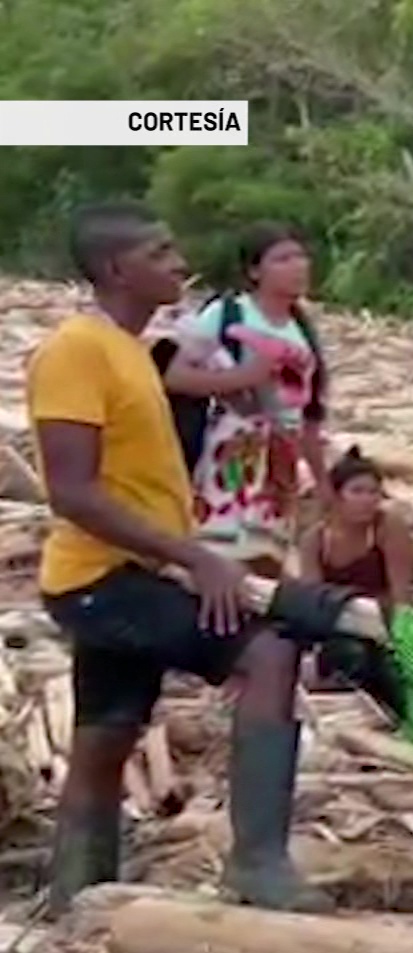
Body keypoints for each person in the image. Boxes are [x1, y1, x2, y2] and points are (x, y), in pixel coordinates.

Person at [29, 202, 331, 914]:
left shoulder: (137, 351)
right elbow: (72, 492)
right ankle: (257, 865)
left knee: (106, 734)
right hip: (102, 577)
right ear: (115, 269)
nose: (178, 261)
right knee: (267, 657)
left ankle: (79, 896)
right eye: (160, 252)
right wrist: (196, 558)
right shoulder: (77, 349)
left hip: (130, 573)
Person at [164, 223, 332, 576]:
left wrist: (322, 482)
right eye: (283, 259)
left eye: (301, 257)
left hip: (281, 457)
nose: (298, 266)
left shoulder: (302, 327)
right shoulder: (227, 315)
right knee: (220, 549)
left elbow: (310, 416)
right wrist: (243, 379)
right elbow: (175, 375)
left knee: (267, 554)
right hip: (233, 448)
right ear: (255, 271)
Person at [298, 448, 411, 713]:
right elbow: (313, 601)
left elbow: (402, 593)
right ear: (338, 497)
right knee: (349, 656)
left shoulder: (387, 528)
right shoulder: (315, 540)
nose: (367, 500)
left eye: (373, 492)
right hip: (340, 625)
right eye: (357, 492)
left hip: (384, 623)